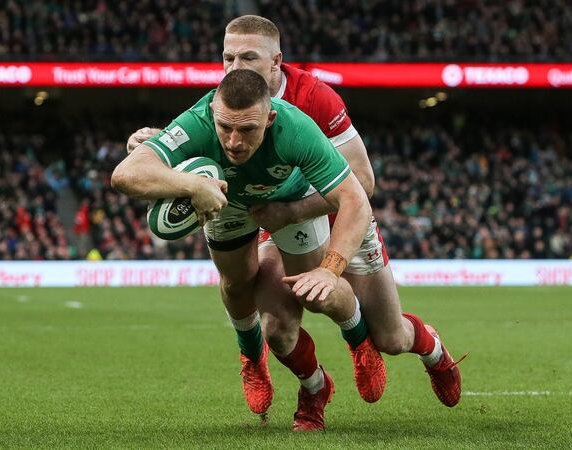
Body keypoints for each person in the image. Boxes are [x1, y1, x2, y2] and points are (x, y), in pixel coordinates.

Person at [126, 14, 464, 414]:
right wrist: (159, 151)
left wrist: (293, 211)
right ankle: (308, 387)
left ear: (276, 61)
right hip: (266, 210)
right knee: (277, 325)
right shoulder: (227, 104)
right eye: (227, 58)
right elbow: (202, 138)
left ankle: (432, 352)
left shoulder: (313, 99)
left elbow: (363, 185)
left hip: (327, 207)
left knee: (391, 337)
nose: (235, 69)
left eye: (247, 58)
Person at [112, 69, 376, 431]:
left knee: (318, 293)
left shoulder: (296, 128)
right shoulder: (198, 119)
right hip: (227, 199)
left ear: (269, 118)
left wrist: (330, 269)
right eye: (225, 128)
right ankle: (256, 359)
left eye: (248, 130)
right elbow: (124, 174)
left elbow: (356, 200)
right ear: (212, 113)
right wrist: (192, 184)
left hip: (289, 199)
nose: (234, 141)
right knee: (242, 289)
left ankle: (358, 337)